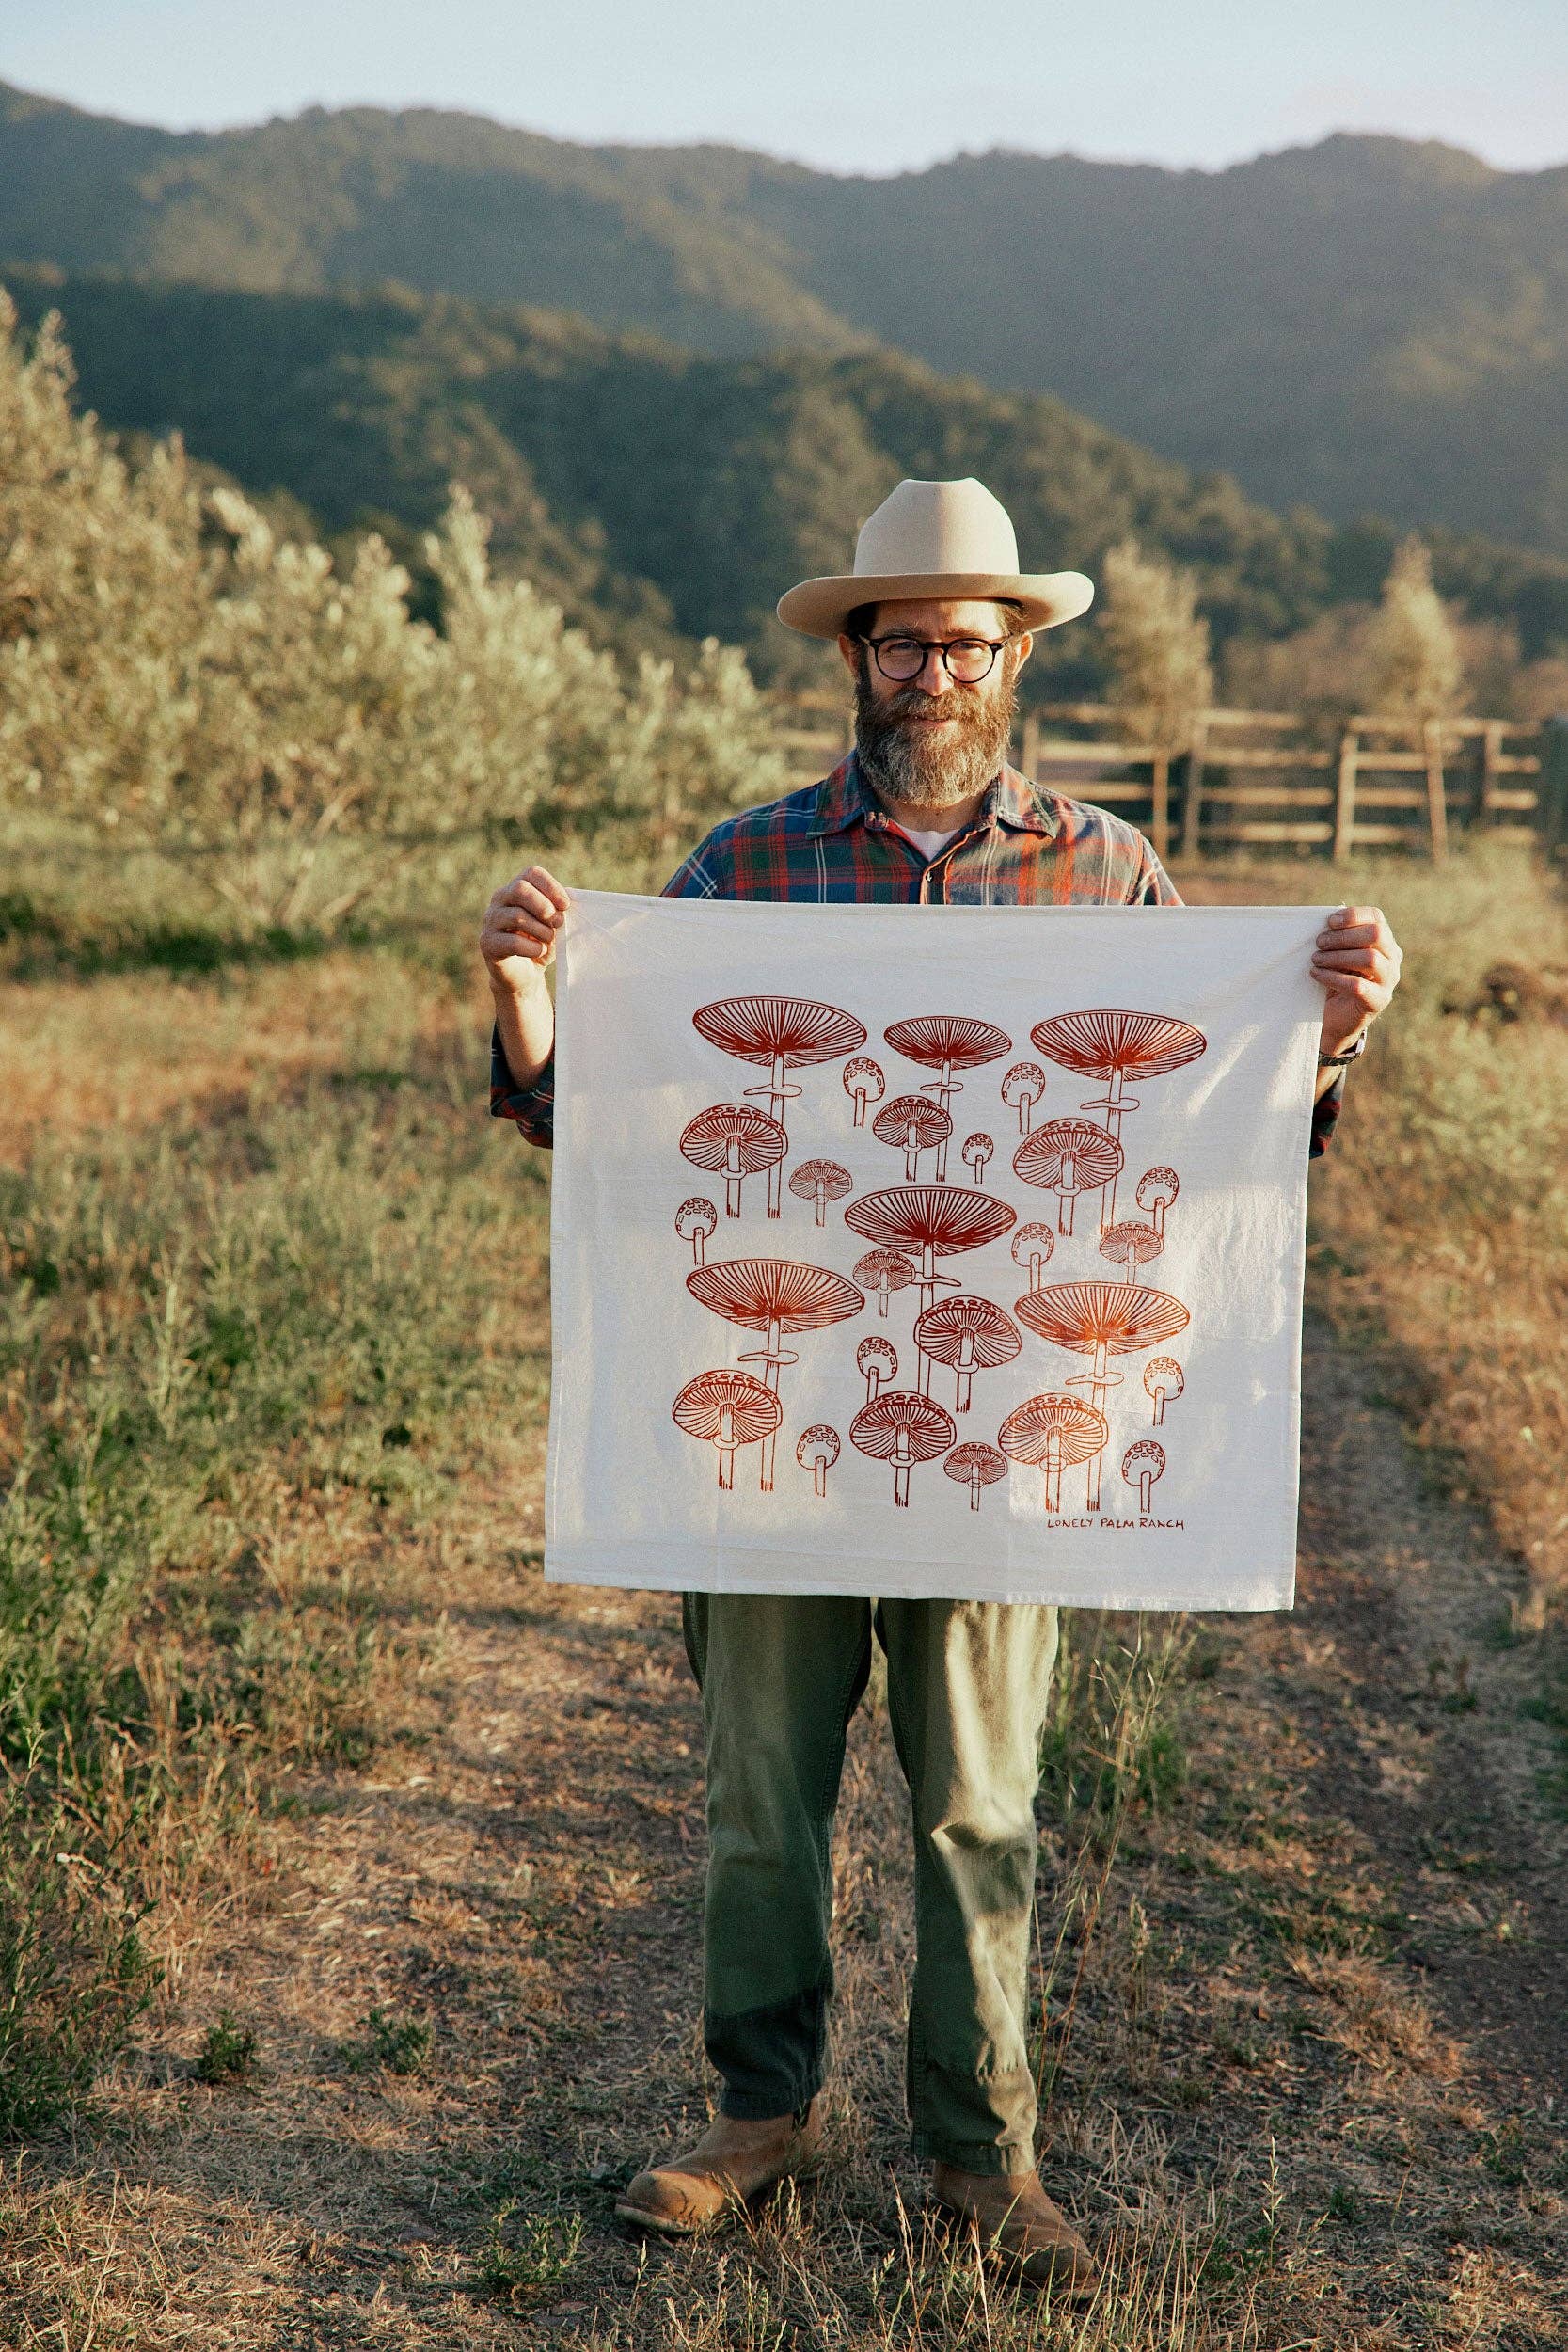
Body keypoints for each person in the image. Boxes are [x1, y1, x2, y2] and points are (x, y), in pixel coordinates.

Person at [480, 478, 1402, 2294]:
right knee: (762, 1789)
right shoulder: (739, 870)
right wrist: (532, 1012)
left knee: (980, 1799)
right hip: (772, 1427)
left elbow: (1205, 1133)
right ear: (856, 652)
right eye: (901, 637)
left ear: (1017, 658)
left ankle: (982, 2158)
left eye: (967, 641)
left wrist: (1331, 1037)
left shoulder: (1112, 876)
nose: (933, 668)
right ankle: (760, 2116)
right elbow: (623, 1128)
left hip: (994, 1453)